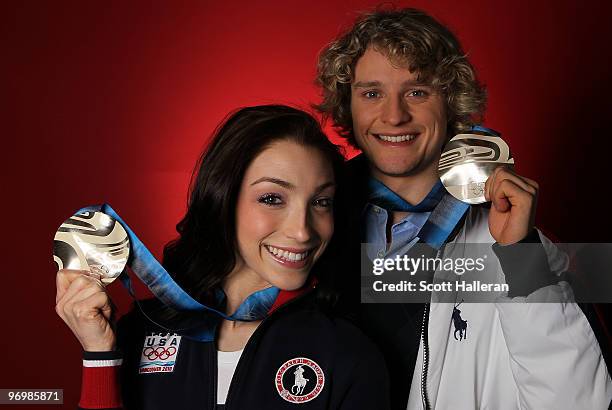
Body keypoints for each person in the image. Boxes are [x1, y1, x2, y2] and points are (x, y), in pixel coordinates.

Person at [315, 7, 611, 409]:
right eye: (371, 93)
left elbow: (578, 402)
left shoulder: (515, 241)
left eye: (417, 92)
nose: (394, 115)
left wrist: (519, 257)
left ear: (451, 103)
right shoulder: (310, 223)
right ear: (347, 105)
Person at [55, 105, 390, 409]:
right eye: (273, 199)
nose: (303, 231)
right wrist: (100, 354)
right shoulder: (141, 330)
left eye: (321, 202)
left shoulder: (349, 354)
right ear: (223, 200)